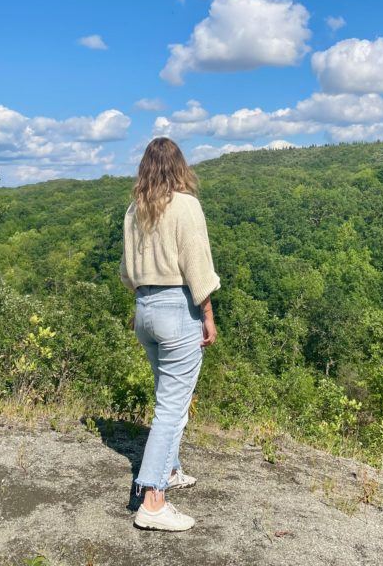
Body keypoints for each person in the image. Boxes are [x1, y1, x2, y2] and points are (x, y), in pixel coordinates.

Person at [120, 137, 220, 531]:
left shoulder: (134, 210)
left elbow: (126, 272)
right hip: (178, 309)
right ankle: (154, 502)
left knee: (166, 393)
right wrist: (207, 314)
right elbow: (197, 263)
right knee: (173, 408)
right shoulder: (186, 206)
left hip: (144, 309)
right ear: (179, 166)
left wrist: (142, 304)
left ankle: (171, 469)